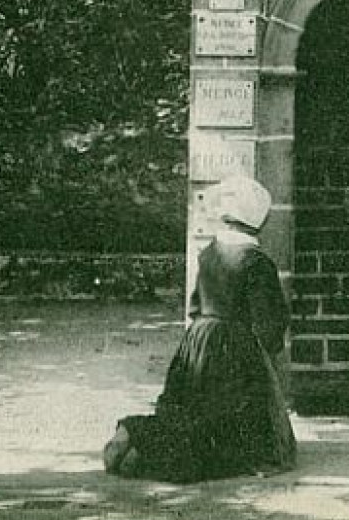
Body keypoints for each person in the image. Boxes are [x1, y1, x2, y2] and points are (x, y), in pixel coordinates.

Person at [103, 172, 296, 482]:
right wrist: (268, 353)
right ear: (257, 221)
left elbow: (195, 305)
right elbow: (268, 321)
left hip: (198, 341)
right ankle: (147, 452)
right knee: (229, 435)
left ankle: (136, 433)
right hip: (235, 348)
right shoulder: (257, 262)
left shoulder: (210, 254)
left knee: (190, 413)